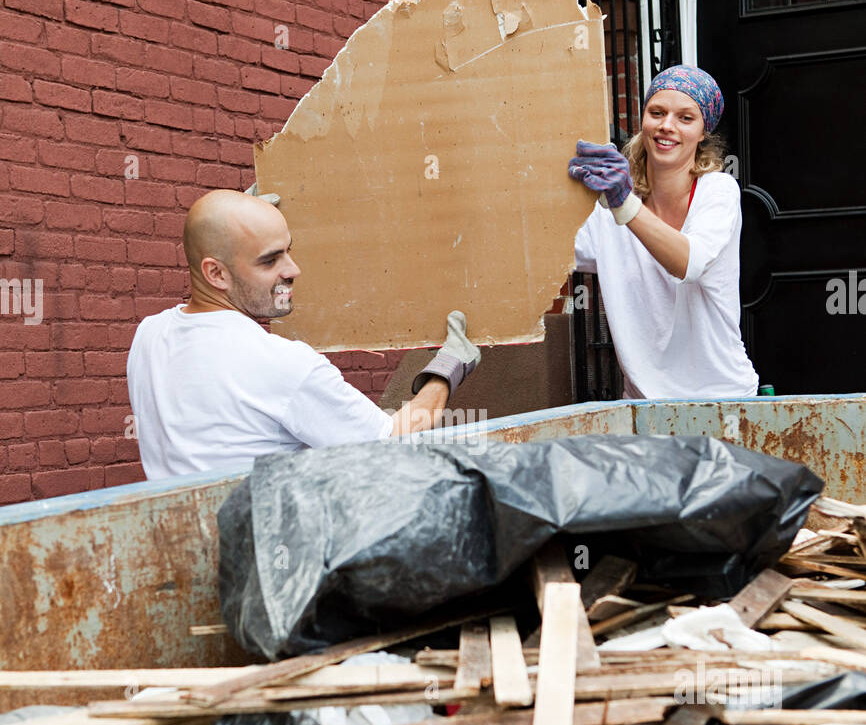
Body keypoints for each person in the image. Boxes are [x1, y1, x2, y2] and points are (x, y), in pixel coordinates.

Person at [127, 189, 480, 480]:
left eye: (288, 250)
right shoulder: (283, 364)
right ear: (216, 273)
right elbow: (391, 441)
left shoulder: (148, 336)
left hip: (182, 552)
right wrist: (447, 369)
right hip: (271, 557)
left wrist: (240, 230)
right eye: (270, 260)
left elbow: (204, 308)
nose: (293, 270)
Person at [568, 66, 759, 401]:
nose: (667, 126)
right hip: (643, 405)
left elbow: (687, 262)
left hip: (722, 400)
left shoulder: (718, 191)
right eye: (657, 113)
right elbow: (551, 255)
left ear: (703, 132)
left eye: (686, 118)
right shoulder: (611, 210)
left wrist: (623, 203)